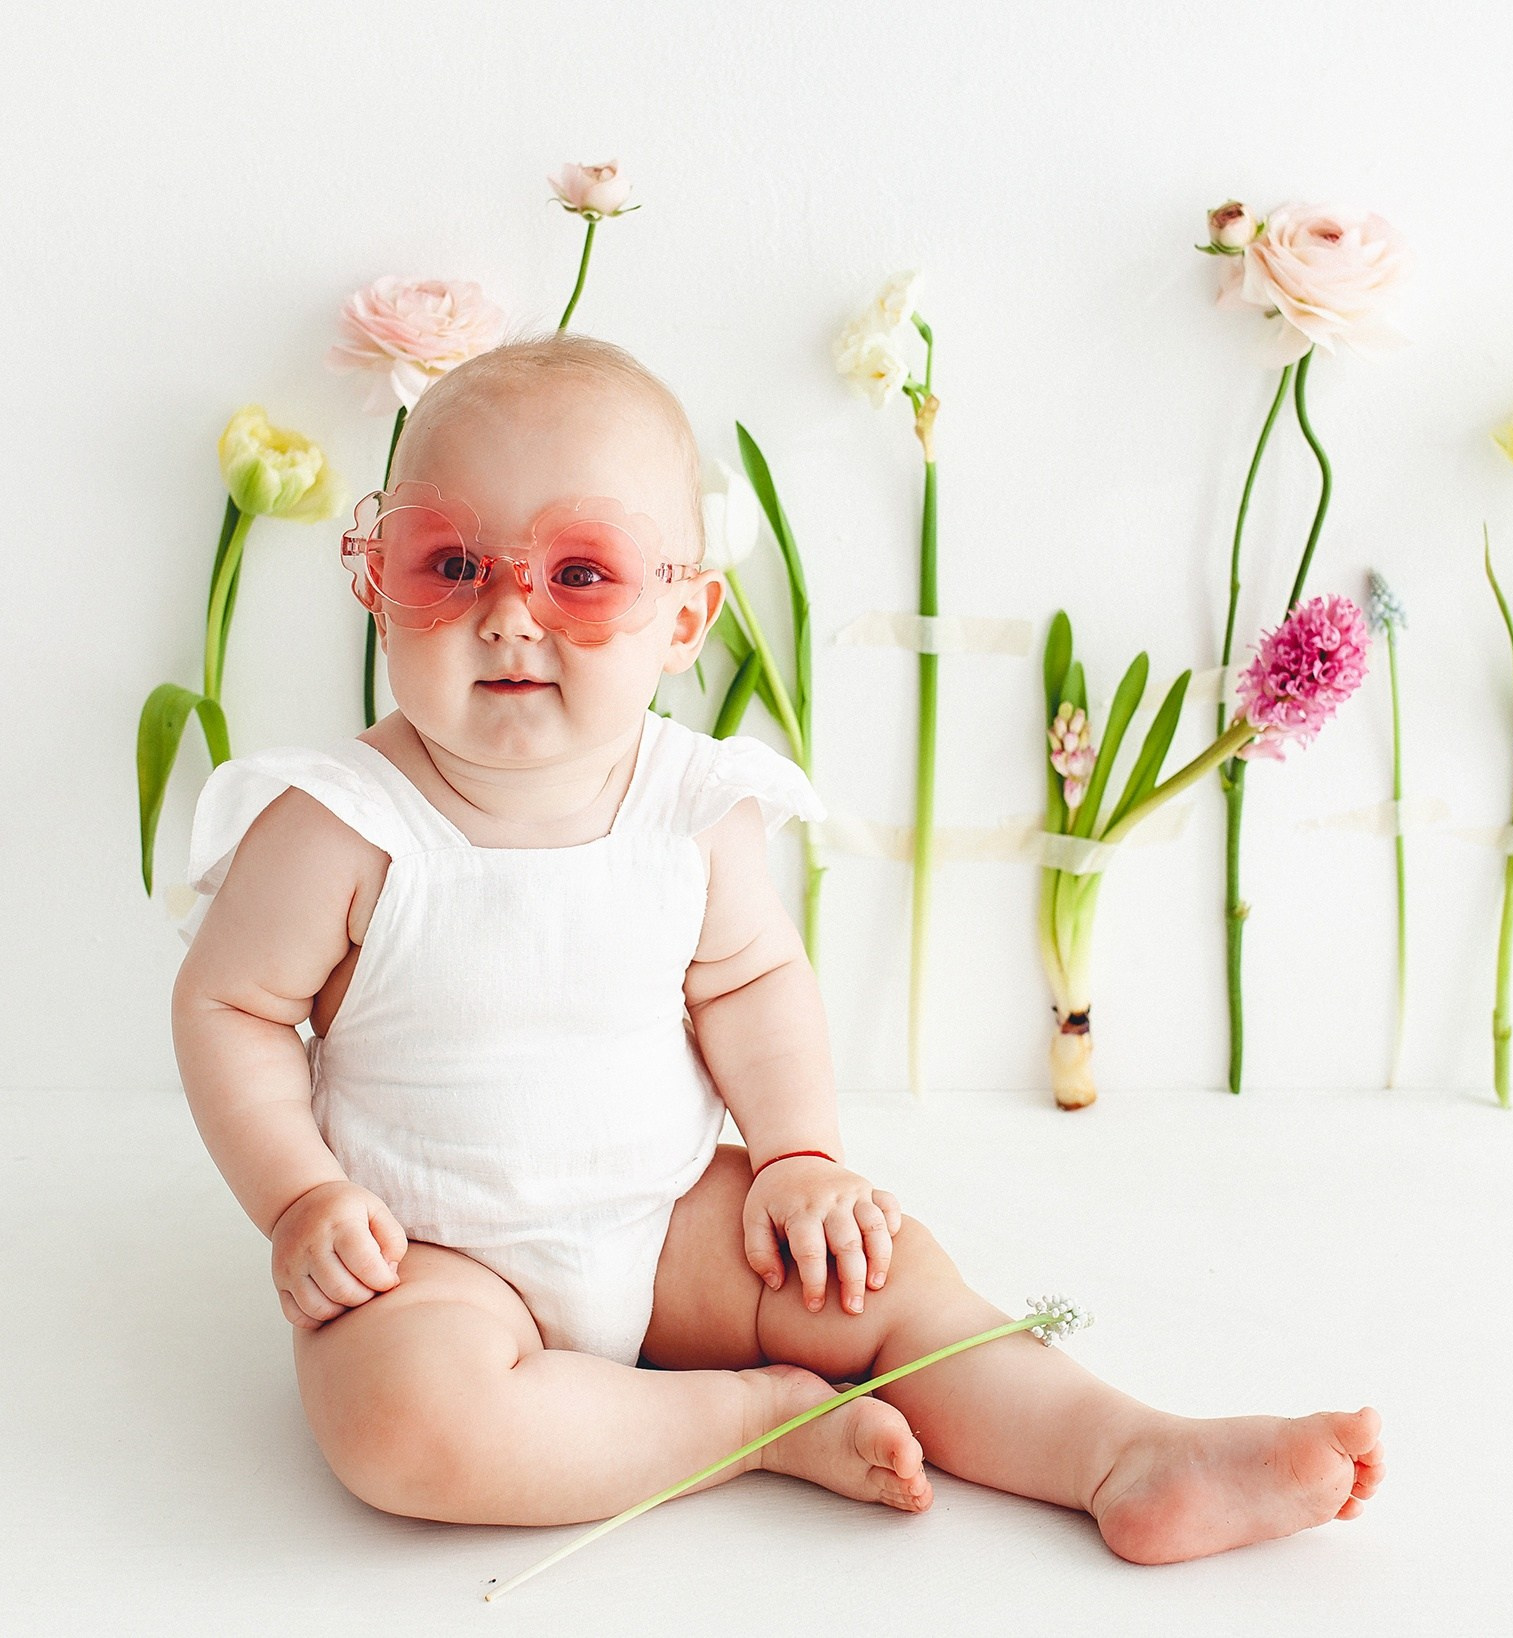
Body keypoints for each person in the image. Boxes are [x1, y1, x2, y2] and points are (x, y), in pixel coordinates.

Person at [168, 330, 1383, 1563]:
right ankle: (742, 1424)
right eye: (454, 562)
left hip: (667, 1220)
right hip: (428, 1251)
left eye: (579, 575)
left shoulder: (692, 804)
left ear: (684, 616)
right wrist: (301, 1199)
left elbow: (750, 982)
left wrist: (800, 1157)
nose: (507, 617)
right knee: (401, 1426)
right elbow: (234, 1011)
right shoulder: (340, 823)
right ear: (376, 578)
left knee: (881, 1276)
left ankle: (1119, 1448)